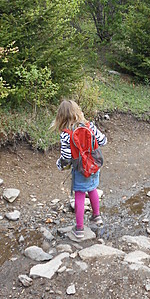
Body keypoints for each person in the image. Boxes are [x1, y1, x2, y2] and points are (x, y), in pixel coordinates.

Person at [51, 99, 107, 240]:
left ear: (61, 117)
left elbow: (67, 157)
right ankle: (96, 216)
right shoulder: (90, 126)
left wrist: (60, 164)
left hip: (80, 168)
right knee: (93, 188)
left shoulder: (66, 134)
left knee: (80, 194)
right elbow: (103, 141)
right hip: (94, 164)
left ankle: (80, 228)